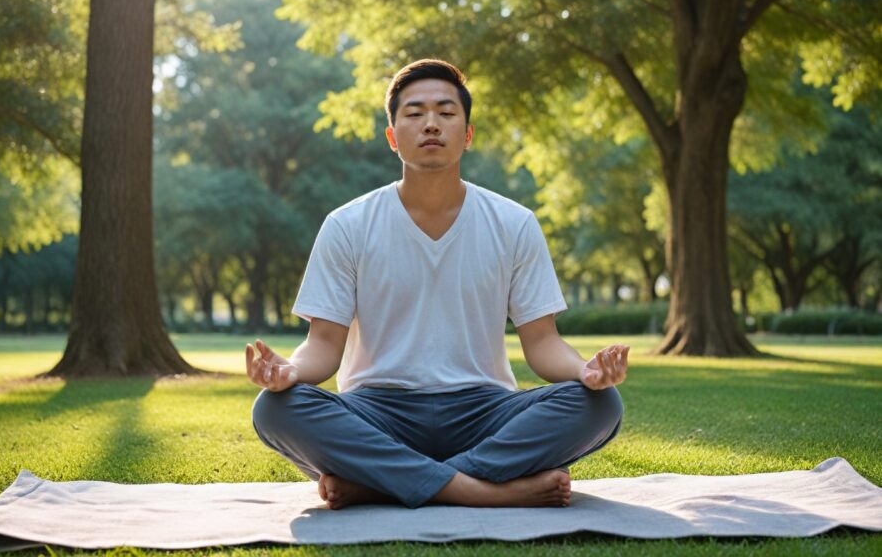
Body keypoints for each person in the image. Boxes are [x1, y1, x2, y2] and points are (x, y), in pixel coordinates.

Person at [246, 58, 629, 510]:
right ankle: (481, 489)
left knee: (601, 406)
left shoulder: (514, 223)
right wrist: (289, 371)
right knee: (275, 409)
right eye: (414, 113)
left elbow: (543, 343)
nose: (431, 124)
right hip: (378, 410)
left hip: (484, 410)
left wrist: (586, 371)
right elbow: (324, 346)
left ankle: (378, 485)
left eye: (447, 113)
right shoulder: (347, 225)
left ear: (467, 135)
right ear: (392, 136)